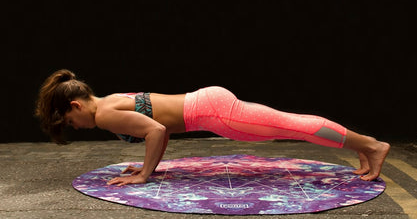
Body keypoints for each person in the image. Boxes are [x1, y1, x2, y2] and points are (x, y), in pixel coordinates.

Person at [35, 69, 390, 186]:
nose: (77, 126)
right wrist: (145, 166)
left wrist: (144, 175)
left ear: (76, 106)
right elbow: (158, 126)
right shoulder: (110, 99)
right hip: (209, 105)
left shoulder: (104, 114)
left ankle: (371, 146)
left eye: (70, 121)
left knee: (293, 126)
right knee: (291, 126)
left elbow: (156, 132)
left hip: (214, 112)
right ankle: (360, 144)